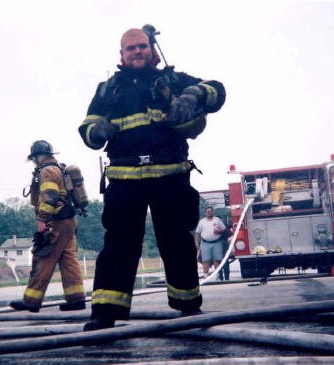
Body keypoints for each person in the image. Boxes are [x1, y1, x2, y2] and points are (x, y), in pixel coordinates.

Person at [78, 27, 226, 330]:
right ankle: (105, 312)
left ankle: (188, 307)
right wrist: (97, 132)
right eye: (130, 48)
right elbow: (87, 127)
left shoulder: (174, 81)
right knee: (118, 245)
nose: (136, 52)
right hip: (124, 180)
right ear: (121, 55)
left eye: (141, 46)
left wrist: (195, 92)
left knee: (176, 243)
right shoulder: (108, 90)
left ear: (152, 50)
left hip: (169, 177)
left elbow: (217, 91)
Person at [10, 140, 86, 312]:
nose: (33, 162)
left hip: (57, 222)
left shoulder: (48, 171)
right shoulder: (58, 168)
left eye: (34, 158)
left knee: (44, 258)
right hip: (68, 221)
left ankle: (31, 301)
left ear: (38, 156)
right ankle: (76, 299)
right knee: (68, 259)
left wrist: (42, 220)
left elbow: (49, 196)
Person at [195, 207, 227, 279]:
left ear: (213, 212)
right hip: (205, 243)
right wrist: (197, 244)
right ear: (205, 213)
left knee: (217, 259)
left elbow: (224, 229)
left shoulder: (217, 220)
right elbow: (197, 233)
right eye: (208, 211)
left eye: (210, 211)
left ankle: (217, 275)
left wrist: (219, 231)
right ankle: (205, 275)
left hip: (217, 242)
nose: (209, 212)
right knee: (205, 260)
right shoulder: (202, 222)